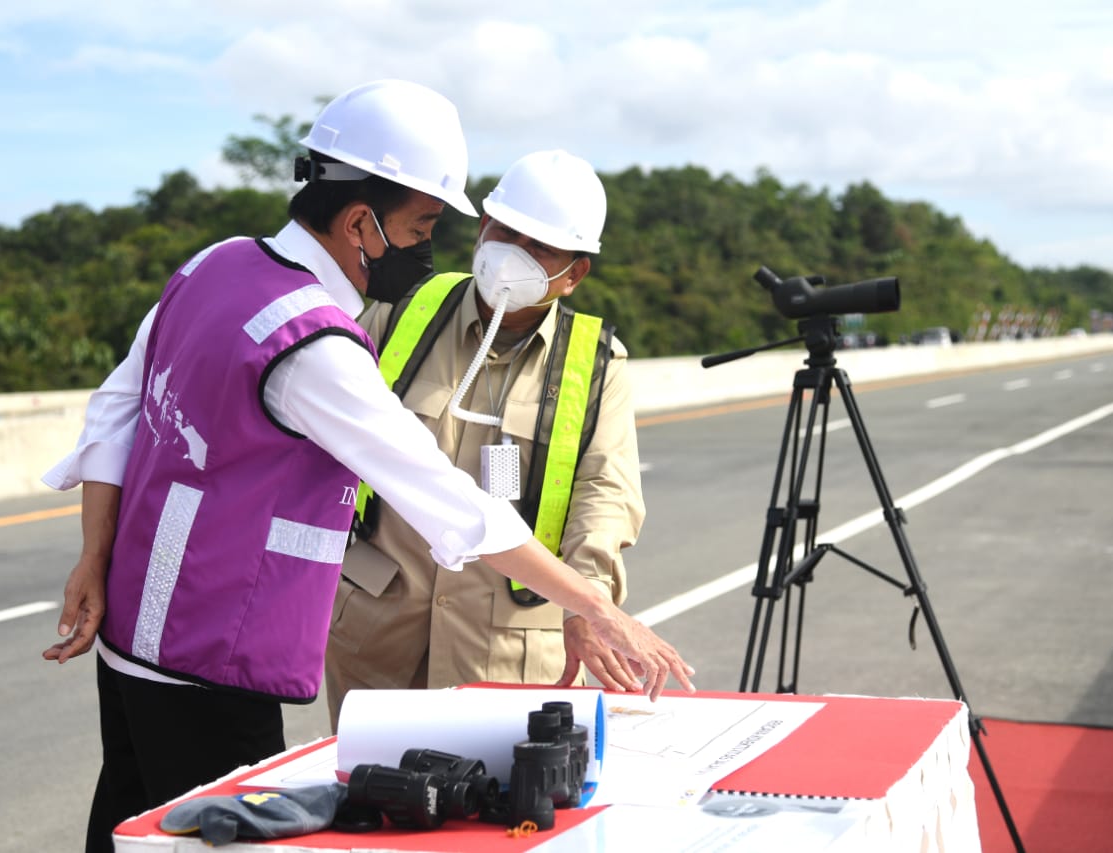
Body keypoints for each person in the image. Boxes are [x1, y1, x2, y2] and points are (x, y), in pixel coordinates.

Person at [39, 80, 694, 853]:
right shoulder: (316, 342)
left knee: (128, 828)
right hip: (219, 650)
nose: (434, 246)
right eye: (424, 224)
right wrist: (597, 607)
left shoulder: (216, 264)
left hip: (139, 636)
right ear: (360, 222)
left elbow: (117, 406)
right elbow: (445, 497)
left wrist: (96, 553)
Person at [324, 149, 643, 729]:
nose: (510, 254)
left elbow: (605, 495)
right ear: (479, 228)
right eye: (503, 231)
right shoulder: (400, 311)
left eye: (538, 247)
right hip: (377, 629)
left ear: (573, 274)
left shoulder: (596, 364)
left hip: (508, 647)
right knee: (370, 797)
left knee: (491, 808)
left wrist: (586, 602)